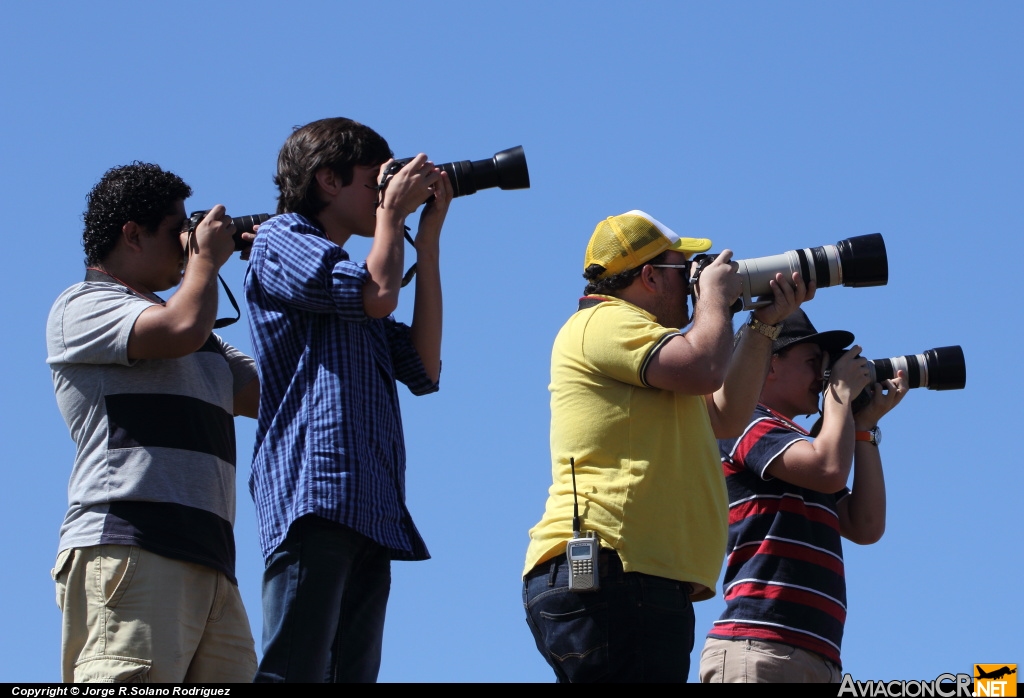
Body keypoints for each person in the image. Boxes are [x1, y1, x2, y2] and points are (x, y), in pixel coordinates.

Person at [522, 210, 812, 682]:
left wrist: (764, 326)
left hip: (637, 574)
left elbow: (725, 416)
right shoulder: (605, 321)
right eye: (686, 270)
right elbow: (703, 367)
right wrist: (715, 301)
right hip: (616, 566)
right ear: (650, 276)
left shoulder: (652, 353)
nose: (695, 280)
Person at [244, 117, 451, 683]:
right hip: (316, 492)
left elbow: (424, 367)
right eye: (375, 179)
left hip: (371, 504)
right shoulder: (281, 239)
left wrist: (425, 245)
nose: (386, 192)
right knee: (294, 669)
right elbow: (377, 295)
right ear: (328, 180)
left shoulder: (356, 275)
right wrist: (392, 217)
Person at [46, 162, 260, 682]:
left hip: (211, 561)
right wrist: (206, 262)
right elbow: (180, 325)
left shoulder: (202, 337)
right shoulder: (83, 306)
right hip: (130, 546)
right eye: (177, 230)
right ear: (132, 234)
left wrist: (286, 273)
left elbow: (274, 391)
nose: (186, 242)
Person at [699, 309, 906, 683]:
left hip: (815, 653)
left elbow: (866, 525)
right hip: (760, 645)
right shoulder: (743, 421)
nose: (823, 378)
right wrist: (841, 395)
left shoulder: (801, 445)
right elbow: (828, 470)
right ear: (770, 363)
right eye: (814, 363)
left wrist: (864, 429)